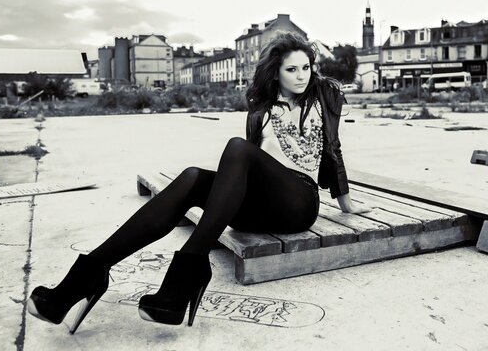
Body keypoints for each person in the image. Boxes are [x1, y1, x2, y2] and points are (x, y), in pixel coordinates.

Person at [27, 32, 370, 334]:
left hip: (298, 203)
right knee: (192, 176)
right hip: (257, 207)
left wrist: (345, 201)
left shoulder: (324, 96)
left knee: (238, 148)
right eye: (291, 69)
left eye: (306, 67)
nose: (301, 75)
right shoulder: (262, 108)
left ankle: (189, 268)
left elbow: (334, 148)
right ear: (275, 72)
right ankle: (90, 272)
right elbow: (249, 167)